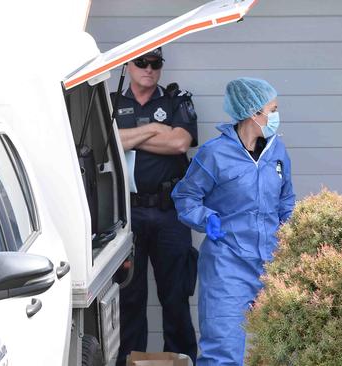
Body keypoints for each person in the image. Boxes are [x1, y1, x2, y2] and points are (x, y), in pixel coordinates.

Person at [172, 77, 296, 365]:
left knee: (279, 348)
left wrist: (293, 233)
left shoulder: (277, 151)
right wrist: (207, 218)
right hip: (227, 264)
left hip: (272, 263)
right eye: (272, 109)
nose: (276, 116)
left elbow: (286, 201)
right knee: (223, 349)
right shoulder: (214, 154)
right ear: (254, 112)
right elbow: (186, 198)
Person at [113, 47, 199, 365]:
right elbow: (105, 140)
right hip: (128, 215)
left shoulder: (177, 101)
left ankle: (179, 361)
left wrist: (129, 136)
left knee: (175, 297)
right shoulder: (111, 103)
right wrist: (152, 129)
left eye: (155, 63)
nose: (149, 68)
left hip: (169, 213)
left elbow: (179, 142)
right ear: (128, 64)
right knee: (130, 298)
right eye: (142, 62)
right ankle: (132, 361)